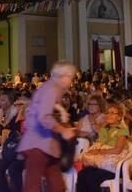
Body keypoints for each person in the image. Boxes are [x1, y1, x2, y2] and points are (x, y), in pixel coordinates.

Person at [16, 60, 77, 192]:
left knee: (56, 186)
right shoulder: (51, 89)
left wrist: (61, 110)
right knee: (33, 186)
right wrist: (63, 130)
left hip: (46, 145)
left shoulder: (49, 88)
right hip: (38, 144)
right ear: (63, 76)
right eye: (71, 77)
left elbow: (42, 107)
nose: (71, 80)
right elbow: (44, 117)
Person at [76, 101, 130, 192]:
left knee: (92, 178)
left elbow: (117, 150)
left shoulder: (123, 130)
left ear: (119, 117)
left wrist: (98, 151)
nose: (109, 115)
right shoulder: (105, 129)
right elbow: (99, 144)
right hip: (102, 163)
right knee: (82, 174)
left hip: (114, 166)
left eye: (112, 113)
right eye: (107, 113)